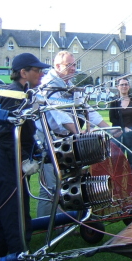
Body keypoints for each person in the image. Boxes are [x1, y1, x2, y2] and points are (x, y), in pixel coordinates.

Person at [0, 53, 55, 261]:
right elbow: (6, 135)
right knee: (18, 221)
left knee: (3, 219)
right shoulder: (13, 95)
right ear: (23, 72)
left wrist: (34, 152)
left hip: (6, 164)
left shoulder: (21, 94)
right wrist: (24, 161)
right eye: (37, 70)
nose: (41, 74)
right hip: (7, 165)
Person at [36, 51, 121, 217]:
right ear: (57, 66)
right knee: (51, 186)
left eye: (74, 65)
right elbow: (57, 113)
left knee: (70, 181)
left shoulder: (69, 85)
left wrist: (107, 128)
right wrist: (78, 132)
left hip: (65, 140)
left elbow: (86, 108)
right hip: (48, 139)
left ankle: (68, 220)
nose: (73, 68)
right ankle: (45, 223)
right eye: (69, 65)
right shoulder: (48, 85)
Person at [109, 77, 132, 190]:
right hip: (119, 136)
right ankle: (119, 189)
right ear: (117, 87)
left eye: (126, 84)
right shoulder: (114, 102)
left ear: (129, 86)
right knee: (118, 163)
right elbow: (112, 119)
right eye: (122, 84)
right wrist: (124, 128)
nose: (124, 86)